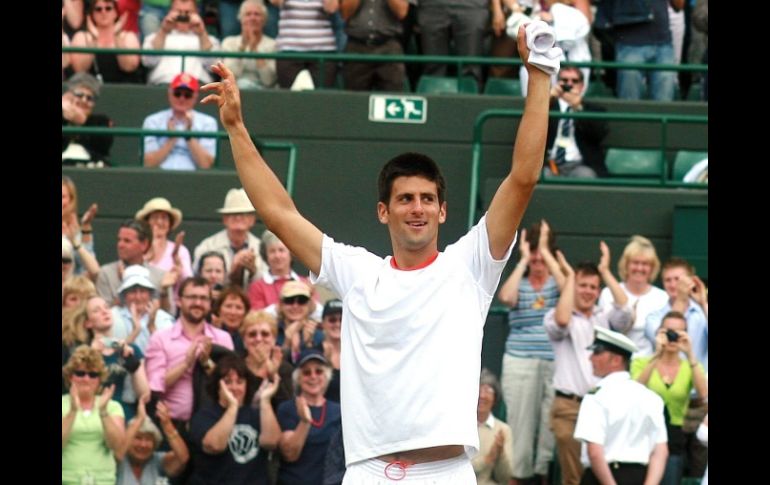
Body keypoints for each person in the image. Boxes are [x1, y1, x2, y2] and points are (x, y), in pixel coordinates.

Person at [200, 20, 551, 479]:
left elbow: (523, 177)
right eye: (405, 199)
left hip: (446, 472)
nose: (417, 209)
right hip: (367, 472)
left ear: (443, 211)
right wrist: (235, 127)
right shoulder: (358, 271)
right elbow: (279, 215)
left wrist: (540, 75)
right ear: (383, 211)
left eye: (427, 199)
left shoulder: (472, 266)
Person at [544, 246, 633, 485]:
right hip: (569, 408)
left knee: (597, 474)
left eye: (593, 287)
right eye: (583, 285)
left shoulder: (603, 317)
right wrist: (570, 279)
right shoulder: (557, 313)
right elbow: (562, 321)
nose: (588, 291)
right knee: (573, 478)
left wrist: (605, 271)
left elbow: (625, 310)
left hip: (601, 406)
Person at [497, 220, 564, 484]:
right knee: (520, 426)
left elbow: (569, 285)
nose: (538, 256)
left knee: (548, 429)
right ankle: (518, 478)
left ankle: (542, 475)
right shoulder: (521, 280)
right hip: (520, 361)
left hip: (553, 361)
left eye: (542, 250)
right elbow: (506, 297)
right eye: (534, 250)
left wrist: (547, 253)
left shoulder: (558, 280)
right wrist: (523, 261)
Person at [573, 326, 669, 485]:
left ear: (616, 360)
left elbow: (595, 452)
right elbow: (661, 451)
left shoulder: (596, 397)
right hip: (639, 477)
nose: (591, 358)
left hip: (602, 478)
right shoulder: (651, 398)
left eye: (597, 352)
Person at [145, 277, 235, 429]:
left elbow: (232, 384)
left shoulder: (222, 338)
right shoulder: (160, 338)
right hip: (171, 425)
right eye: (192, 297)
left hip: (212, 426)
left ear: (210, 303)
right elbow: (156, 386)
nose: (198, 303)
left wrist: (207, 363)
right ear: (179, 301)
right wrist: (186, 364)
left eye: (203, 298)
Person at [632, 311, 707, 485]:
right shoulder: (641, 362)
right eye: (669, 332)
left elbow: (704, 395)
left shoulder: (690, 367)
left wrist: (690, 354)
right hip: (642, 434)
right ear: (659, 333)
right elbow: (635, 390)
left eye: (679, 333)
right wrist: (657, 354)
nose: (673, 337)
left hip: (673, 437)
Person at [188, 353, 282, 484]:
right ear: (217, 385)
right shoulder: (204, 415)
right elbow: (214, 446)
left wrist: (265, 401)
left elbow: (272, 442)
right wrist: (233, 407)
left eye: (240, 382)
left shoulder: (257, 414)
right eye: (227, 382)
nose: (234, 387)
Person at [62, 345, 126, 485]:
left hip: (103, 480)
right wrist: (73, 411)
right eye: (80, 373)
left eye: (93, 375)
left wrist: (103, 412)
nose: (86, 379)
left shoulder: (112, 406)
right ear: (70, 376)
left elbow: (118, 447)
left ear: (100, 379)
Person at [277, 349, 342, 485]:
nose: (313, 376)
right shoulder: (287, 409)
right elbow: (289, 454)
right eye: (306, 372)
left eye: (318, 371)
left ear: (327, 376)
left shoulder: (338, 411)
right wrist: (304, 422)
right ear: (298, 378)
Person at [598, 235, 668, 357]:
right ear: (626, 265)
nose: (639, 268)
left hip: (648, 365)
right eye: (635, 263)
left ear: (652, 268)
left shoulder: (662, 298)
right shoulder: (608, 293)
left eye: (645, 264)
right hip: (615, 363)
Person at [193, 188, 268, 288]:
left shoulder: (261, 248)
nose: (238, 218)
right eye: (233, 214)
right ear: (224, 219)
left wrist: (253, 272)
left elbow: (269, 284)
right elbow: (197, 280)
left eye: (243, 214)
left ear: (252, 220)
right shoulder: (208, 246)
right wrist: (231, 272)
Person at [142, 73, 218, 171]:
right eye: (177, 93)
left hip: (194, 179)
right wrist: (171, 139)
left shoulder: (208, 123)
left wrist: (189, 136)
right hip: (159, 177)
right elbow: (148, 163)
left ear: (195, 97)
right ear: (170, 93)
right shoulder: (152, 121)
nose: (182, 98)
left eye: (188, 95)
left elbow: (207, 165)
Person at [544, 66, 609, 178]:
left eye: (574, 81)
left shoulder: (593, 110)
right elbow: (530, 128)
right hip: (549, 164)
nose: (569, 84)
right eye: (564, 80)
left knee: (587, 176)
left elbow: (598, 134)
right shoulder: (549, 106)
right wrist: (548, 100)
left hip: (580, 165)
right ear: (558, 83)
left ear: (582, 86)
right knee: (540, 176)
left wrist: (578, 107)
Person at [96, 219, 171, 311]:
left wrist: (164, 292)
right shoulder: (106, 273)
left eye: (127, 241)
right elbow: (103, 313)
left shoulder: (160, 276)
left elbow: (170, 315)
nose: (120, 245)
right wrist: (124, 283)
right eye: (119, 240)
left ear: (144, 244)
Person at [142, 0, 221, 85]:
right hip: (163, 85)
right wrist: (163, 31)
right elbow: (148, 61)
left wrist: (202, 34)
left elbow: (214, 66)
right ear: (170, 12)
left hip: (198, 86)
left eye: (188, 12)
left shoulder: (210, 40)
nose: (183, 16)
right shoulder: (154, 37)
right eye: (178, 12)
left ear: (197, 13)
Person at [115, 398, 190, 484]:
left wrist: (167, 425)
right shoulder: (117, 460)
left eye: (148, 439)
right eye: (138, 438)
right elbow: (118, 450)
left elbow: (182, 458)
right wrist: (139, 420)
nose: (143, 445)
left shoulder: (158, 460)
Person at [340, 0, 408, 91]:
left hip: (389, 47)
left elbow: (402, 13)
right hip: (357, 47)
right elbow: (345, 14)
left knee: (392, 97)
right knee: (354, 98)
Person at [69, 0, 143, 84]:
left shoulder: (128, 36)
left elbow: (129, 67)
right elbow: (80, 69)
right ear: (92, 14)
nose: (103, 12)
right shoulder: (81, 36)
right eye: (98, 9)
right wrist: (94, 39)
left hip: (124, 89)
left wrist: (117, 37)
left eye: (108, 8)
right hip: (90, 89)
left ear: (115, 12)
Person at [247, 229, 318, 313]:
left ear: (291, 254)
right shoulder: (257, 287)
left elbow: (319, 314)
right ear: (266, 255)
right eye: (272, 251)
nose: (277, 256)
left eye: (281, 250)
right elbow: (256, 317)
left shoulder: (305, 283)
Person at [221, 0, 278, 90]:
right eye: (248, 14)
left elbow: (269, 81)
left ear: (264, 20)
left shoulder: (273, 45)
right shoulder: (229, 43)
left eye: (257, 14)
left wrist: (255, 49)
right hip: (234, 91)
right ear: (241, 19)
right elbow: (229, 76)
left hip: (263, 93)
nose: (252, 18)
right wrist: (243, 46)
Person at [135, 197, 194, 281]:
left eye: (164, 218)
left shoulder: (181, 251)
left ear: (170, 224)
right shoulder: (137, 249)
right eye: (155, 217)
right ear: (146, 222)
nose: (159, 222)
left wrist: (179, 271)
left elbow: (188, 283)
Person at [62, 72, 114, 166]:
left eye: (89, 98)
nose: (84, 100)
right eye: (79, 95)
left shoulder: (101, 121)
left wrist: (82, 121)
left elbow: (102, 147)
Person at [473, 369, 514, 485]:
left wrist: (500, 453)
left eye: (487, 390)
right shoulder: (461, 425)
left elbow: (504, 478)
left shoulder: (503, 430)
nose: (482, 396)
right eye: (479, 389)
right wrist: (487, 459)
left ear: (495, 398)